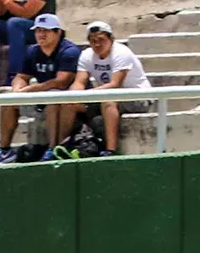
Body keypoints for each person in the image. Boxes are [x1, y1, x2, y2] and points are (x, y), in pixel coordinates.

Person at [0, 12, 81, 161]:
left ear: (58, 32)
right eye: (38, 30)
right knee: (9, 101)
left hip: (65, 101)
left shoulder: (69, 51)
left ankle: (52, 149)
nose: (41, 34)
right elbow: (22, 76)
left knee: (53, 95)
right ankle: (4, 150)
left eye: (46, 30)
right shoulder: (32, 51)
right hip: (41, 97)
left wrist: (28, 90)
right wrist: (17, 89)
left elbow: (61, 82)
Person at [63, 21, 151, 156]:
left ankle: (110, 150)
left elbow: (115, 84)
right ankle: (61, 145)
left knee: (107, 101)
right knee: (67, 103)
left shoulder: (121, 52)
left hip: (137, 97)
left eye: (101, 40)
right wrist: (73, 95)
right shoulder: (87, 55)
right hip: (105, 95)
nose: (97, 44)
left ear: (111, 39)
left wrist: (88, 94)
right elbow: (79, 82)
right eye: (93, 41)